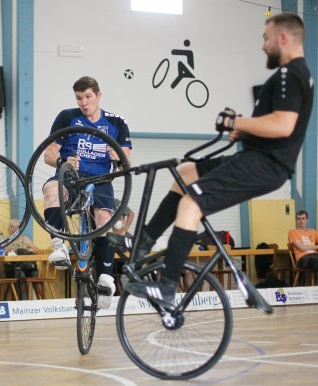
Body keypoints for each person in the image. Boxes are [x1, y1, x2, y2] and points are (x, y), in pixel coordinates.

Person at [126, 13, 314, 308]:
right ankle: (144, 244)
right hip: (258, 156)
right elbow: (280, 127)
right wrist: (245, 131)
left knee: (190, 204)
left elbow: (283, 126)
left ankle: (166, 286)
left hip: (265, 165)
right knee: (186, 173)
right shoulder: (298, 74)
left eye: (265, 38)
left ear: (283, 38)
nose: (263, 46)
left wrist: (236, 120)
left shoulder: (290, 74)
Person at [43, 75, 132, 309]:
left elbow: (127, 160)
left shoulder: (117, 123)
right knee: (52, 189)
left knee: (104, 219)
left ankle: (105, 278)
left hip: (101, 180)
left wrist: (119, 158)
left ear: (98, 95)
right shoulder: (67, 117)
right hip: (71, 178)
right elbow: (48, 155)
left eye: (88, 97)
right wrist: (64, 160)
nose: (84, 102)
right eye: (79, 98)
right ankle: (59, 245)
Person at [3, 219, 40, 297]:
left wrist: (28, 249)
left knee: (35, 274)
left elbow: (37, 250)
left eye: (17, 227)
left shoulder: (25, 239)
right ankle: (19, 301)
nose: (14, 229)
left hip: (27, 267)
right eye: (12, 227)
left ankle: (43, 301)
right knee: (21, 275)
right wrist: (8, 249)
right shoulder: (5, 241)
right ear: (8, 229)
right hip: (12, 268)